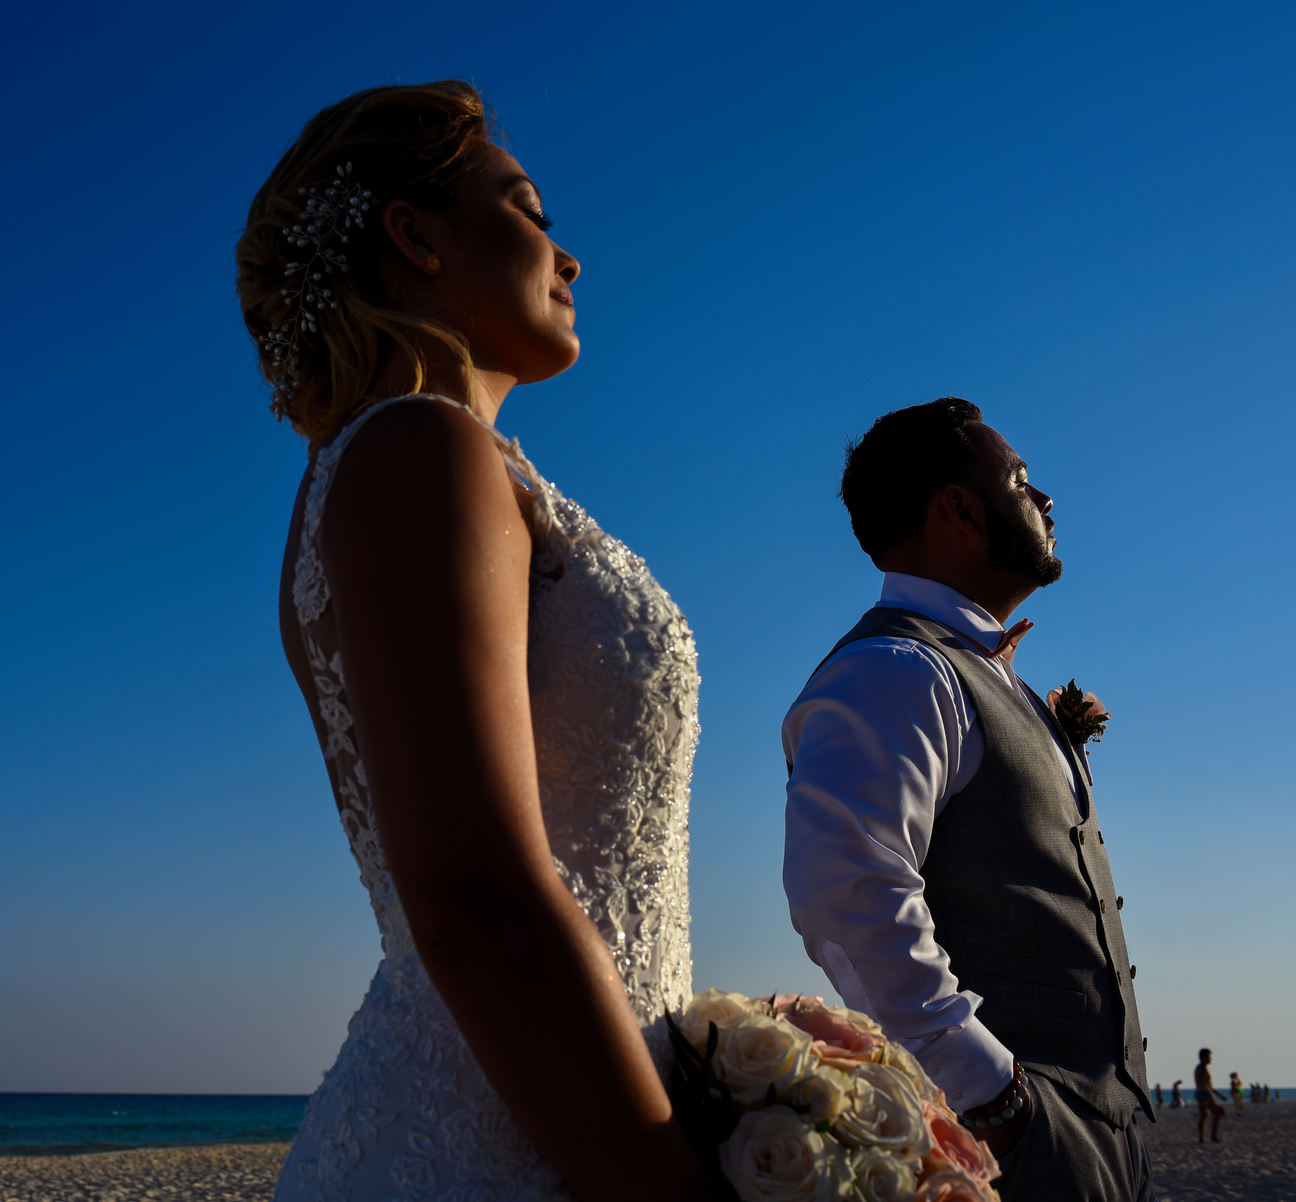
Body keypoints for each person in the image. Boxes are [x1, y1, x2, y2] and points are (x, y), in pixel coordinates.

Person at [237, 81, 709, 1201]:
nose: (569, 255)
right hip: (524, 1131)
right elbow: (472, 890)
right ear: (414, 234)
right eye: (530, 208)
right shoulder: (414, 451)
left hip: (555, 1096)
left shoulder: (399, 466)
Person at [782, 399, 1154, 1199]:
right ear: (958, 507)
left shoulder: (984, 674)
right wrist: (993, 1098)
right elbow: (848, 896)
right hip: (1015, 1140)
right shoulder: (895, 668)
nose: (1046, 499)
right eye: (1020, 480)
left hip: (1098, 1133)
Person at [1195, 1049, 1225, 1142]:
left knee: (1204, 1116)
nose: (1210, 1059)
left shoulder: (1200, 1068)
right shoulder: (1202, 1069)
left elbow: (1207, 1086)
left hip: (1200, 1093)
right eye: (1209, 1057)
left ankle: (1201, 1138)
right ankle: (1213, 1136)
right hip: (1205, 1094)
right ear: (1204, 1058)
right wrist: (1213, 1099)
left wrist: (1219, 1094)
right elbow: (1206, 1086)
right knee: (1217, 1114)